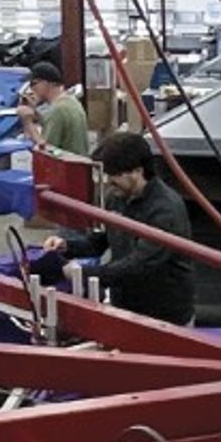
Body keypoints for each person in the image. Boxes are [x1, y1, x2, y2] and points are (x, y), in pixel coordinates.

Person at [42, 132, 196, 325]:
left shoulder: (166, 211)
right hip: (125, 307)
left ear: (137, 172)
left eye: (113, 176)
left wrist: (80, 273)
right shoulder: (116, 197)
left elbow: (139, 266)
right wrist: (66, 246)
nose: (108, 182)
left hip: (164, 317)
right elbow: (101, 240)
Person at [16, 61, 90, 156]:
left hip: (66, 168)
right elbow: (55, 122)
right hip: (78, 164)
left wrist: (28, 122)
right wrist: (35, 113)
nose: (31, 89)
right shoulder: (71, 101)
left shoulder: (57, 110)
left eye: (33, 84)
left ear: (46, 83)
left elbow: (46, 151)